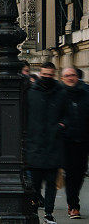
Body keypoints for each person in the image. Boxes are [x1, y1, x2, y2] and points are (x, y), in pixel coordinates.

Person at [26, 62, 66, 224]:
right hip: (35, 146)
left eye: (50, 75)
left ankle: (48, 213)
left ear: (54, 75)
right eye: (45, 74)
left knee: (51, 184)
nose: (47, 77)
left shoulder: (61, 93)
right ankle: (35, 210)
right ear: (41, 73)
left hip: (53, 146)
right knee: (35, 185)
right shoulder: (31, 93)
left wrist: (62, 125)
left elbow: (67, 114)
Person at [61, 66, 89, 219]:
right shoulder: (59, 95)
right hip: (66, 141)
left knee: (80, 173)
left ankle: (73, 200)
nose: (70, 78)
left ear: (77, 77)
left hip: (83, 140)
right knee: (70, 174)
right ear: (63, 78)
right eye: (67, 76)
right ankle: (73, 205)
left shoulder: (86, 92)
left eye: (72, 75)